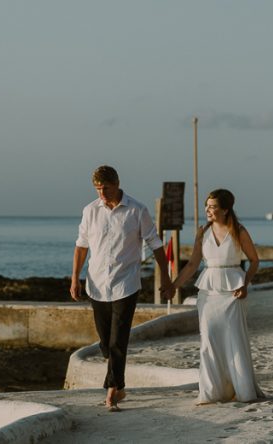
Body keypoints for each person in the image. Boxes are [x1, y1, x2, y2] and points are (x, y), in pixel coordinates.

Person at [71, 165, 173, 412]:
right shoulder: (90, 211)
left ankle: (112, 391)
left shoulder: (137, 210)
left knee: (118, 339)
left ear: (117, 184)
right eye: (97, 189)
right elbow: (81, 246)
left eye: (105, 188)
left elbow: (155, 244)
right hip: (97, 284)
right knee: (106, 343)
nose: (102, 193)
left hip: (126, 283)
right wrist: (75, 278)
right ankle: (120, 384)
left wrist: (166, 278)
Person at [164, 188, 263, 404]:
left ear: (225, 210)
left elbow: (255, 261)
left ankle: (242, 390)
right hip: (208, 291)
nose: (208, 210)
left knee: (234, 339)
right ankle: (212, 392)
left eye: (213, 207)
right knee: (208, 339)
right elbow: (192, 264)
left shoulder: (239, 231)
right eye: (207, 206)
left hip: (233, 291)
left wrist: (245, 284)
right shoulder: (202, 232)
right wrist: (174, 286)